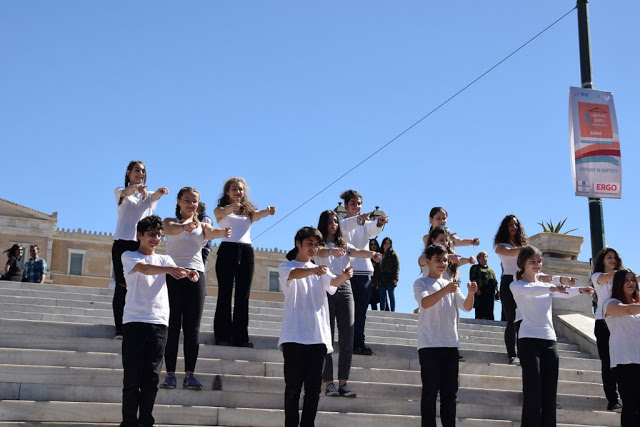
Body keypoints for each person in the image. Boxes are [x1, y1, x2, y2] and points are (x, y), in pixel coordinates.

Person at [119, 215, 199, 427]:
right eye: (151, 234)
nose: (155, 238)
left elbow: (177, 272)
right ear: (140, 235)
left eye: (158, 234)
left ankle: (146, 421)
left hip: (159, 323)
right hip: (135, 321)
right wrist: (171, 270)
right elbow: (145, 269)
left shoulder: (165, 259)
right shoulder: (129, 255)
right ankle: (128, 422)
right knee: (132, 379)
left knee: (152, 378)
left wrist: (189, 273)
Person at [510, 245, 593, 427]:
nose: (537, 264)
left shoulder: (546, 286)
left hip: (549, 341)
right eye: (532, 261)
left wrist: (579, 290)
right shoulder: (516, 285)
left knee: (549, 394)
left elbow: (562, 292)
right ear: (522, 263)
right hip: (528, 341)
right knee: (532, 392)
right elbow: (534, 290)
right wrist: (553, 287)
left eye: (539, 261)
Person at [278, 226, 353, 427]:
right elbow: (294, 275)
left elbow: (333, 284)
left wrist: (344, 276)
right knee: (293, 388)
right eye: (309, 243)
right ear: (298, 244)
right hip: (294, 336)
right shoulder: (286, 267)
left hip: (318, 337)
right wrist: (313, 269)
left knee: (313, 390)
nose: (312, 248)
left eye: (316, 244)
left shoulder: (323, 270)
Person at [159, 187, 231, 391]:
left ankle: (190, 374)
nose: (192, 205)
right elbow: (170, 230)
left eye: (195, 201)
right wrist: (184, 228)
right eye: (188, 201)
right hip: (173, 274)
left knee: (193, 328)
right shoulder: (169, 221)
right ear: (179, 202)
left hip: (195, 275)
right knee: (172, 326)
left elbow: (213, 232)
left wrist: (224, 232)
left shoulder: (202, 226)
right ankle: (170, 374)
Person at [314, 210, 382, 399]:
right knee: (327, 339)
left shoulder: (343, 244)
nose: (333, 224)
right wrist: (330, 251)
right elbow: (319, 252)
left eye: (335, 221)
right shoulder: (318, 244)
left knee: (347, 339)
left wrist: (373, 254)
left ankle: (343, 383)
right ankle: (328, 383)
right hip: (325, 288)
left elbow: (357, 251)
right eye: (329, 222)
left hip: (345, 288)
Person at [414, 244, 476, 427]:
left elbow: (466, 307)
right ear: (428, 261)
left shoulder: (452, 285)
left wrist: (471, 293)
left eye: (445, 260)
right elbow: (425, 303)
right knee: (430, 392)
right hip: (428, 345)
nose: (442, 264)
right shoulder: (421, 282)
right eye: (438, 260)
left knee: (450, 394)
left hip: (450, 344)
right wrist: (445, 290)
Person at [214, 177, 276, 347]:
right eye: (234, 189)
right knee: (225, 294)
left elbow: (257, 216)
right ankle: (222, 336)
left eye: (240, 189)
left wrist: (267, 211)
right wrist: (230, 208)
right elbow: (219, 214)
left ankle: (241, 337)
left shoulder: (248, 211)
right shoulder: (221, 210)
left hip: (246, 251)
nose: (238, 192)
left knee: (243, 296)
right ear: (227, 191)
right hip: (227, 250)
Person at [112, 160, 169, 339]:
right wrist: (136, 188)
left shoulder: (148, 195)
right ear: (128, 173)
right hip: (122, 243)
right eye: (137, 170)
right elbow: (127, 191)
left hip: (140, 244)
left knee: (139, 284)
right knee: (121, 285)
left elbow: (154, 198)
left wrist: (160, 192)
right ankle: (119, 328)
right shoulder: (121, 192)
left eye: (143, 171)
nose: (140, 173)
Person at [339, 189, 388, 355]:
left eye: (359, 203)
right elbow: (344, 229)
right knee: (345, 311)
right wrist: (359, 220)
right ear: (346, 205)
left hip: (363, 272)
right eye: (353, 203)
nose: (356, 206)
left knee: (360, 311)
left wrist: (379, 223)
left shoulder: (365, 225)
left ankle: (358, 342)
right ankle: (345, 342)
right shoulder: (340, 222)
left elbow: (373, 229)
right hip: (345, 272)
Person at [604, 269, 640, 426]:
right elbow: (625, 310)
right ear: (619, 283)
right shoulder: (609, 303)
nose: (631, 283)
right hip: (624, 362)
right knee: (631, 406)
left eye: (633, 280)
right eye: (626, 280)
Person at [590, 247, 624, 411]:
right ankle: (613, 400)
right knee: (608, 362)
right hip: (603, 323)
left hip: (621, 323)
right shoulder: (597, 276)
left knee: (622, 362)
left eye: (615, 258)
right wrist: (628, 276)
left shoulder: (622, 278)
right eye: (609, 257)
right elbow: (613, 276)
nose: (613, 260)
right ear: (602, 260)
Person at [493, 214, 528, 364]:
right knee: (511, 320)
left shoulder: (523, 245)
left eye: (516, 225)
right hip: (508, 281)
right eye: (510, 225)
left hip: (522, 281)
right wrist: (526, 250)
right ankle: (511, 355)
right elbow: (507, 253)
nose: (513, 227)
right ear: (505, 228)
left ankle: (523, 353)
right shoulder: (500, 245)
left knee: (523, 320)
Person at [469, 251, 498, 320]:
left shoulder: (490, 270)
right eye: (483, 256)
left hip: (490, 292)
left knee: (490, 309)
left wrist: (497, 290)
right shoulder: (475, 267)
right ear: (478, 259)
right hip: (481, 290)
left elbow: (495, 281)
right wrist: (477, 289)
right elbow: (473, 278)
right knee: (480, 309)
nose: (485, 258)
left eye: (486, 256)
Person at [378, 237, 400, 312]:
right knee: (382, 296)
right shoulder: (379, 253)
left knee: (391, 295)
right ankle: (382, 311)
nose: (386, 245)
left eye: (388, 243)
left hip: (390, 276)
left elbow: (396, 267)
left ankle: (393, 311)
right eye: (385, 243)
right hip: (381, 276)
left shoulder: (393, 254)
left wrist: (396, 278)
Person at [197, 201, 215, 266]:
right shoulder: (197, 218)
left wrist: (199, 246)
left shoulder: (205, 218)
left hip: (202, 248)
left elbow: (206, 234)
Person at [368, 239, 381, 310]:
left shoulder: (380, 254)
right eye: (371, 244)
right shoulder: (367, 255)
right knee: (372, 299)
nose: (373, 246)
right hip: (370, 280)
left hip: (380, 280)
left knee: (382, 298)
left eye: (374, 244)